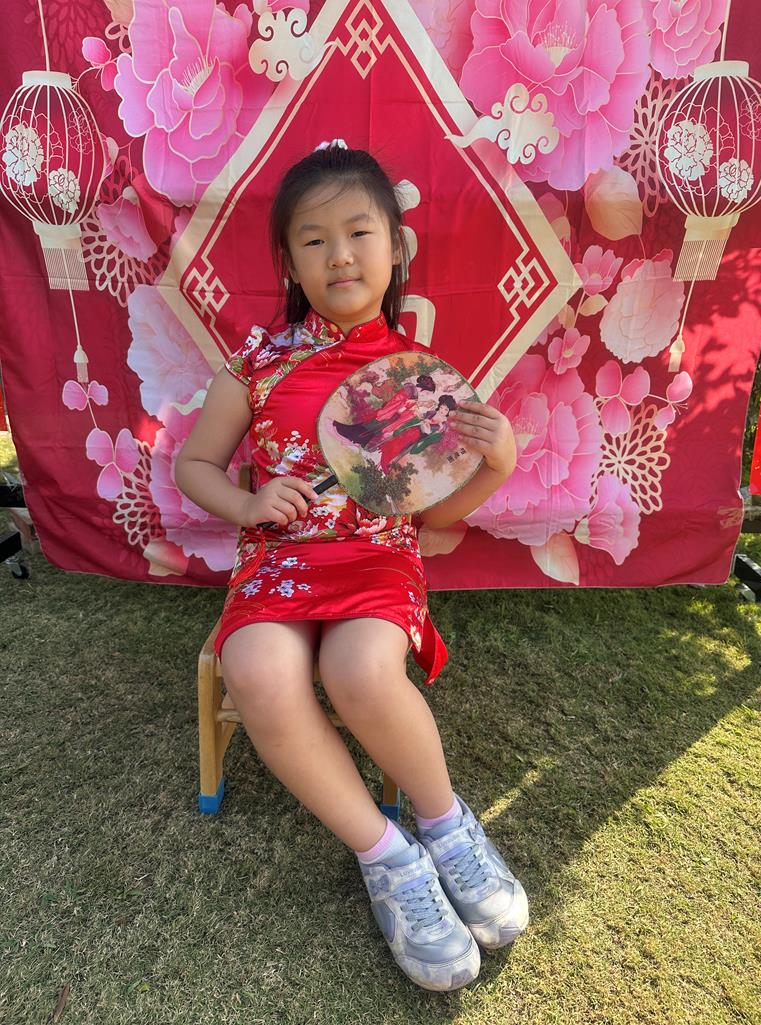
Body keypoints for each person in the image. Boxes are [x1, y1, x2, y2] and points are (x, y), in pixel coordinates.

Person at [174, 141, 529, 993]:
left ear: (396, 247)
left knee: (361, 669)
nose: (339, 254)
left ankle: (448, 827)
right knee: (256, 669)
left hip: (376, 557)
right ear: (288, 262)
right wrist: (247, 505)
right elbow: (194, 465)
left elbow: (431, 517)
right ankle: (388, 855)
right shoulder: (255, 364)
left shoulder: (419, 380)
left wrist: (498, 463)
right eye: (314, 239)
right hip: (278, 561)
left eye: (359, 232)